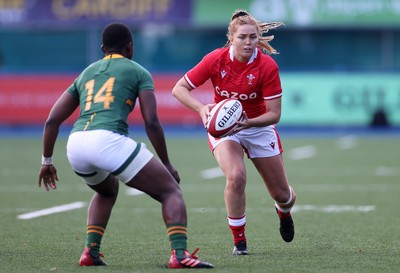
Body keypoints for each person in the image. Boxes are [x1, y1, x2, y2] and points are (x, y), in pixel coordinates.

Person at [38, 22, 213, 269]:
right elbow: (151, 122)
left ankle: (91, 252)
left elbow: (52, 120)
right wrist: (166, 164)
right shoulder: (138, 71)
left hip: (75, 144)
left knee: (107, 190)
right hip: (107, 140)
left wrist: (47, 161)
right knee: (170, 191)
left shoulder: (87, 73)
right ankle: (180, 255)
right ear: (130, 48)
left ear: (102, 48)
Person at [172, 10, 296, 255]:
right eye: (242, 37)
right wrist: (201, 109)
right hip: (226, 128)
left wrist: (248, 123)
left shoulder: (267, 66)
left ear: (258, 38)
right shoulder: (215, 59)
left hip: (257, 125)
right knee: (236, 176)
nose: (248, 42)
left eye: (252, 37)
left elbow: (274, 115)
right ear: (231, 38)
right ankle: (240, 243)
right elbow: (179, 88)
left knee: (283, 195)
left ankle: (284, 212)